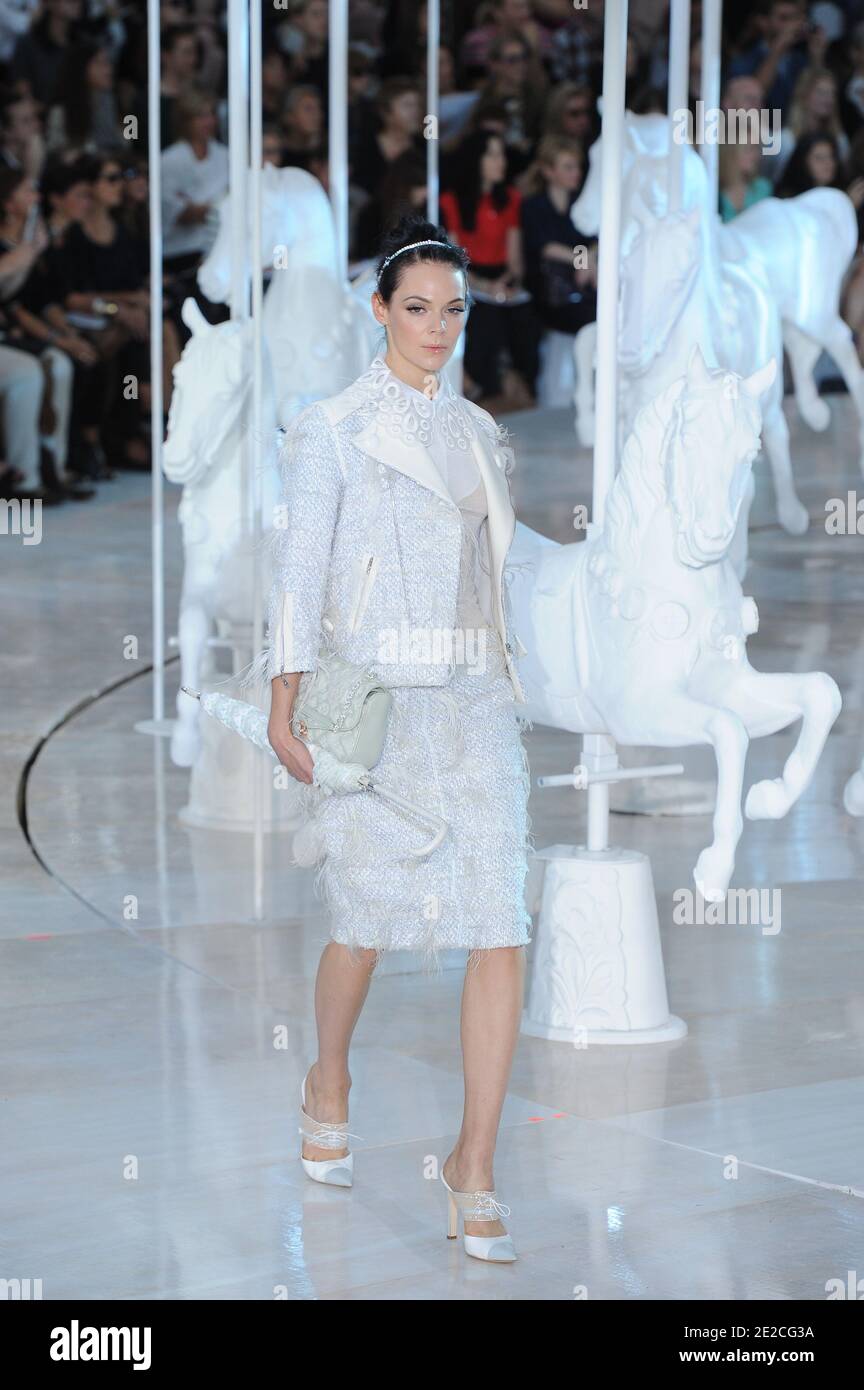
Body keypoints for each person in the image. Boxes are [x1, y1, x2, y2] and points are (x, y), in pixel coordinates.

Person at [261, 212, 532, 1263]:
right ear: (380, 311)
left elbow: (495, 568)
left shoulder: (475, 433)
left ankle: (476, 1163)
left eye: (453, 308)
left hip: (469, 701)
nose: (437, 325)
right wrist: (285, 697)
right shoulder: (329, 428)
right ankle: (328, 1074)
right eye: (417, 307)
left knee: (499, 920)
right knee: (365, 922)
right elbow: (300, 570)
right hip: (374, 703)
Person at [440, 128, 541, 406]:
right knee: (485, 321)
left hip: (501, 276)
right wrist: (485, 287)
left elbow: (515, 258)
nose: (501, 162)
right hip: (467, 278)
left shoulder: (510, 198)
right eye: (493, 155)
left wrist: (507, 282)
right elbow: (454, 259)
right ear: (477, 160)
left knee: (526, 316)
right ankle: (486, 392)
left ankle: (524, 387)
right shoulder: (451, 201)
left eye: (502, 155)